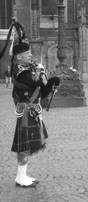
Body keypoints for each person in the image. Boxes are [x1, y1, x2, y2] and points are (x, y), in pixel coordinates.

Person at [8, 20, 60, 188]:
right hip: (25, 112)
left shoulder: (29, 69)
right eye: (28, 54)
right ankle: (20, 177)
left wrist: (51, 82)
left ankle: (22, 175)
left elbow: (42, 90)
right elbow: (33, 85)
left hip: (32, 111)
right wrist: (43, 77)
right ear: (19, 57)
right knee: (24, 144)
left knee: (28, 143)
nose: (31, 56)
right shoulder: (21, 71)